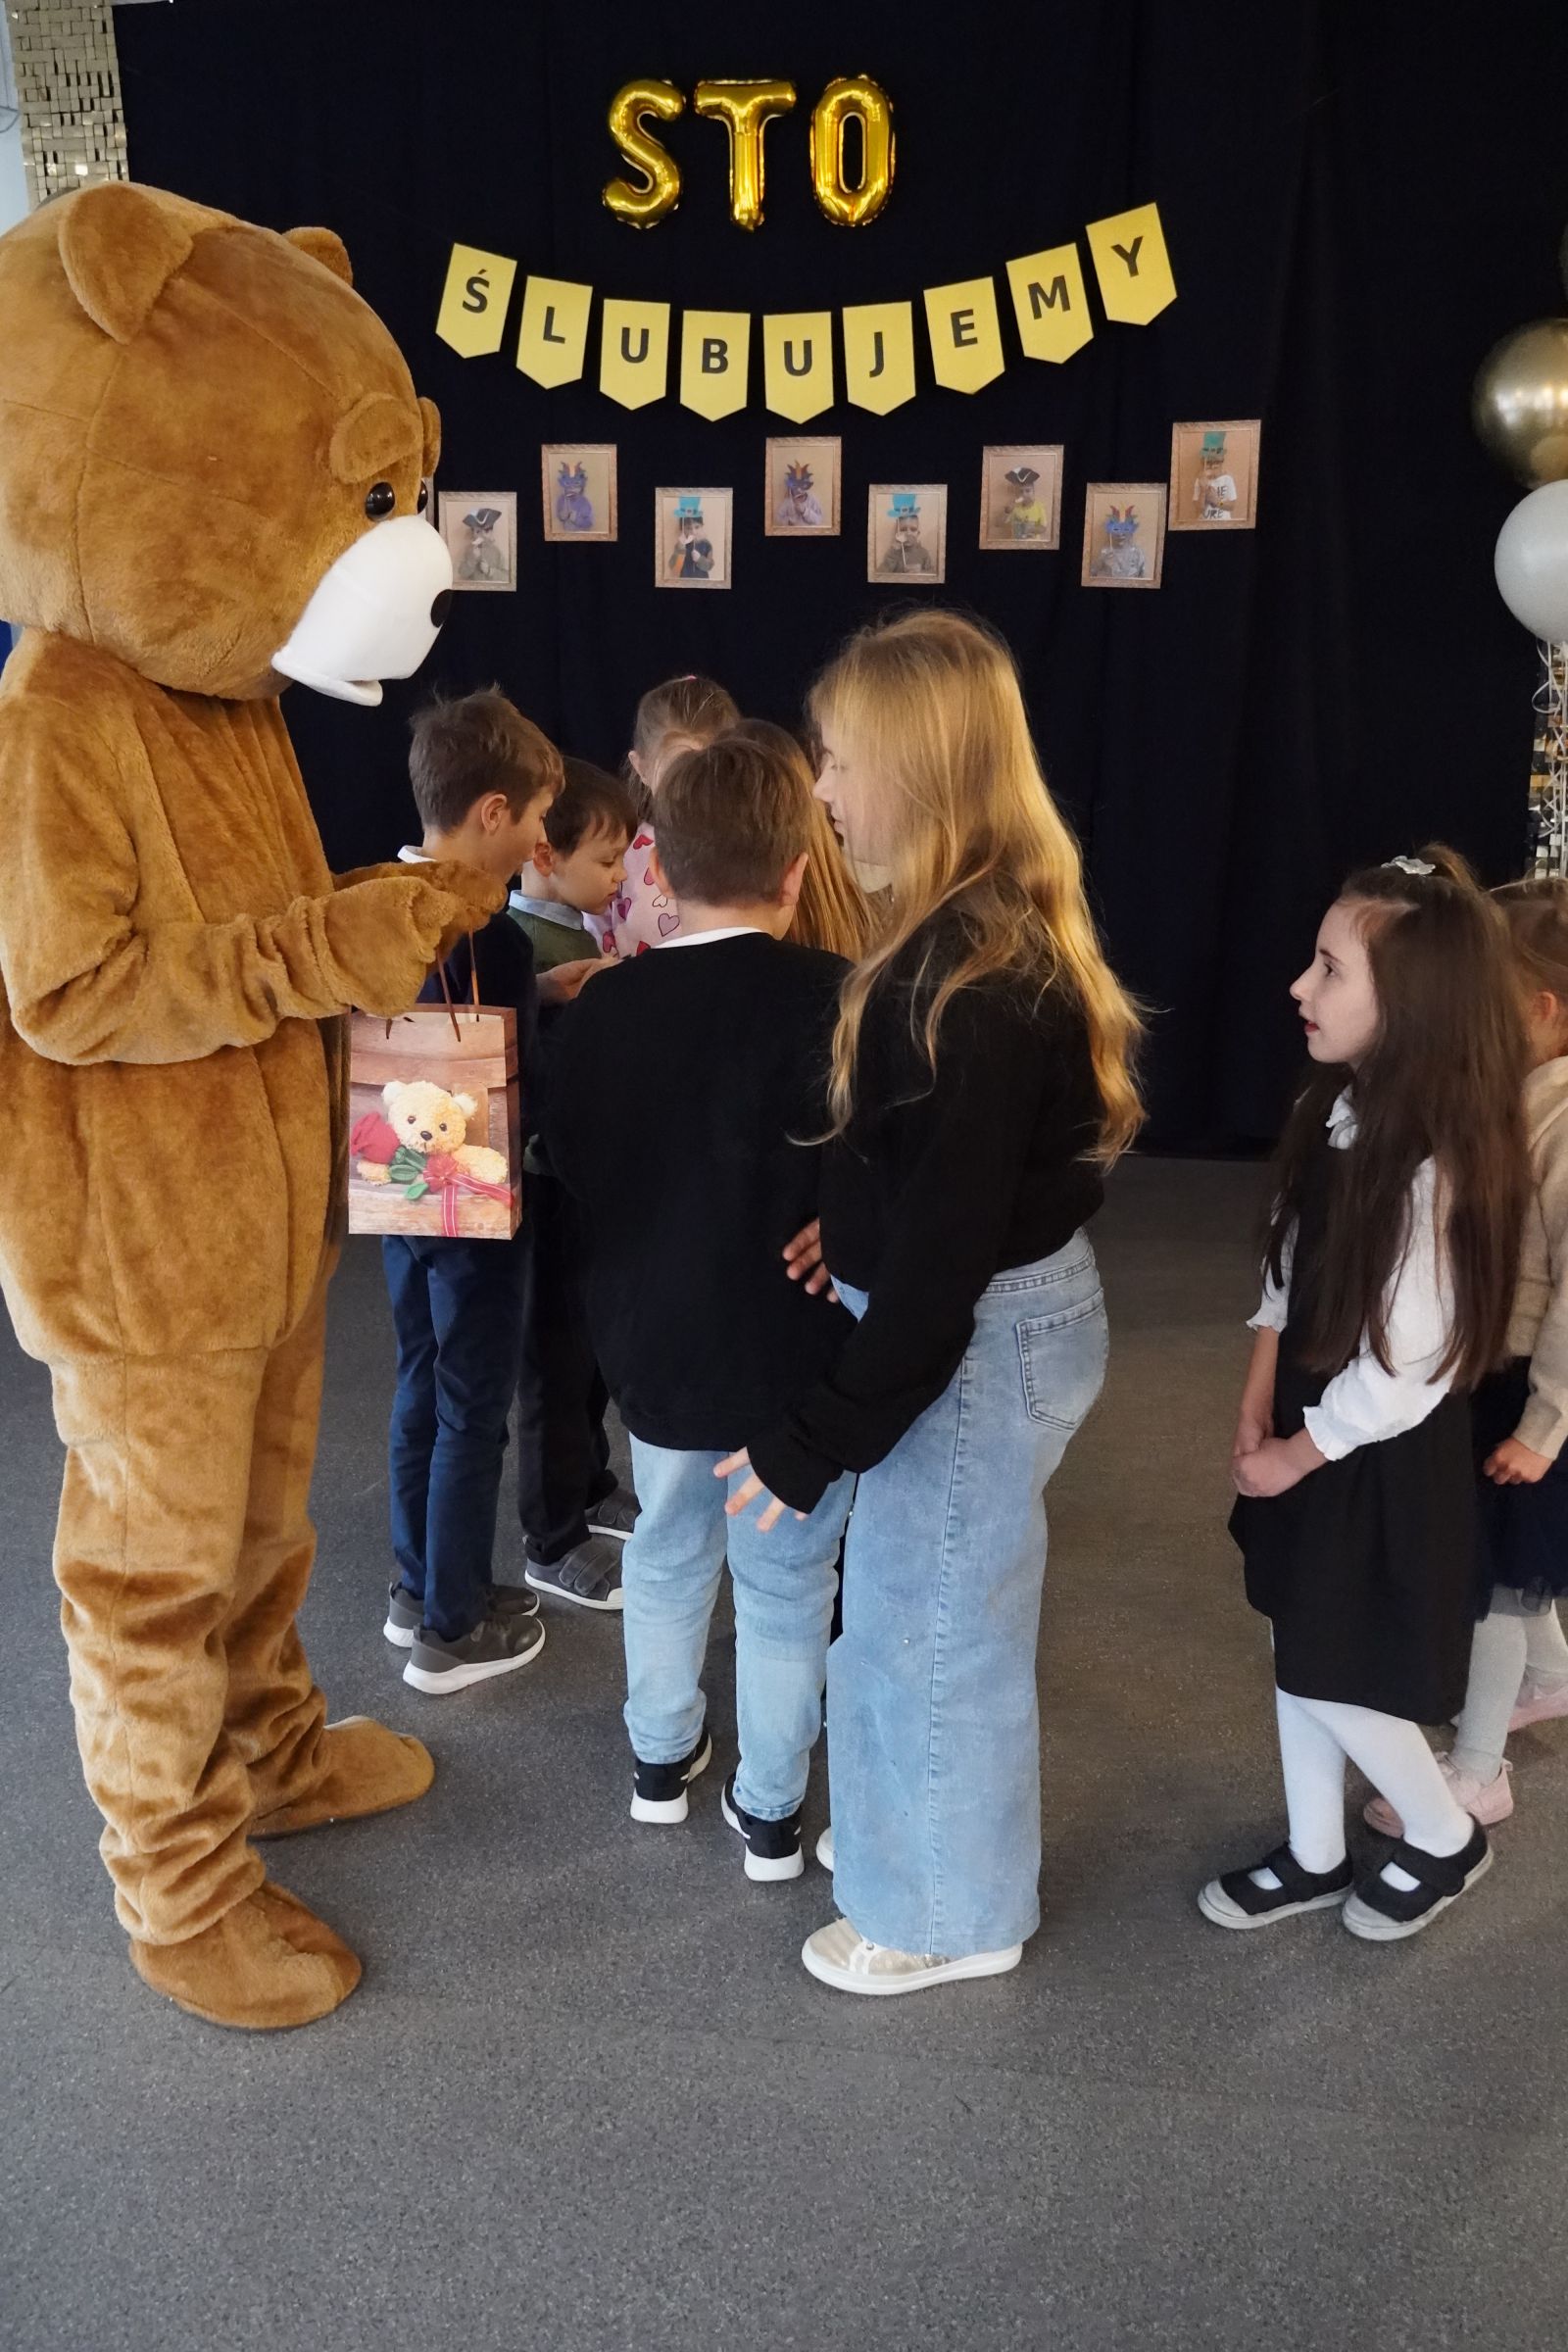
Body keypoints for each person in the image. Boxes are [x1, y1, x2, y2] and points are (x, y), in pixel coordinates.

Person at [725, 609, 1144, 1993]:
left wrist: (810, 1440)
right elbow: (930, 1173)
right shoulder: (954, 940)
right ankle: (910, 1838)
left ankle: (947, 1914)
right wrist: (846, 1224)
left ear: (920, 770)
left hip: (973, 1341)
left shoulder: (980, 983)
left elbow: (949, 1262)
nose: (823, 790)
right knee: (911, 1613)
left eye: (841, 761)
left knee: (932, 1632)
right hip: (965, 1325)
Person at [544, 731, 856, 1881]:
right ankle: (770, 1810)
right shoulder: (841, 999)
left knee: (668, 1546)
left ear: (658, 871)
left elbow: (571, 1161)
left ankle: (658, 1756)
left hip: (653, 1343)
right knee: (788, 1583)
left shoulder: (604, 1008)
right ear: (797, 870)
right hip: (795, 1352)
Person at [1203, 849, 1531, 1941]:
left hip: (1370, 1456)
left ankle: (1443, 1834)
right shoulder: (1337, 1108)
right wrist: (1258, 1399)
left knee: (1334, 1671)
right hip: (1310, 1423)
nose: (1300, 985)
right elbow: (1286, 1270)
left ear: (1414, 1007)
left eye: (1331, 969)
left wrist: (1298, 1451)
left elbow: (1408, 1369)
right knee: (1299, 1641)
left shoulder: (1432, 1166)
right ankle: (1315, 1852)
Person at [379, 689, 594, 1693]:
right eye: (541, 815)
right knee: (474, 1410)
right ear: (494, 811)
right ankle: (452, 1629)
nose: (544, 838)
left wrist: (534, 998)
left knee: (420, 1386)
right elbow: (516, 1083)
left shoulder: (379, 908)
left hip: (398, 1193)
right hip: (478, 1210)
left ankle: (420, 1585)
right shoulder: (493, 939)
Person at [1362, 876, 1568, 1836]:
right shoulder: (1515, 1098)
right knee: (1508, 1567)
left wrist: (1543, 1425)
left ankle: (1478, 1773)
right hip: (1497, 1377)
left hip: (1530, 1395)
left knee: (1492, 1588)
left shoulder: (1558, 1124)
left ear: (1541, 1010)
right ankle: (1552, 1676)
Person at [507, 757, 641, 1608]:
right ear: (545, 856)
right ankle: (551, 1537)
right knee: (552, 1366)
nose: (621, 876)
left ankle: (590, 1486)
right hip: (542, 1186)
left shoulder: (578, 936)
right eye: (607, 860)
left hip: (582, 1178)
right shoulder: (518, 943)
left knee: (587, 1351)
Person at [603, 673, 740, 958]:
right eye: (676, 775)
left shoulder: (746, 842)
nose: (691, 790)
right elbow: (596, 934)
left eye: (708, 773)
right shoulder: (616, 849)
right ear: (640, 768)